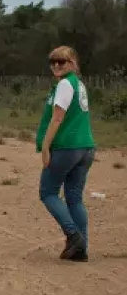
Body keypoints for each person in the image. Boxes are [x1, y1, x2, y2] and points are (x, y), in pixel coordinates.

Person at [36, 46, 96, 262]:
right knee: (74, 198)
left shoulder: (65, 84)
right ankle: (81, 250)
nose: (56, 66)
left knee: (48, 192)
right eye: (53, 62)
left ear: (73, 63)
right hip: (85, 148)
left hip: (67, 147)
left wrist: (45, 147)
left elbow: (57, 118)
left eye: (62, 62)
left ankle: (74, 236)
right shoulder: (78, 85)